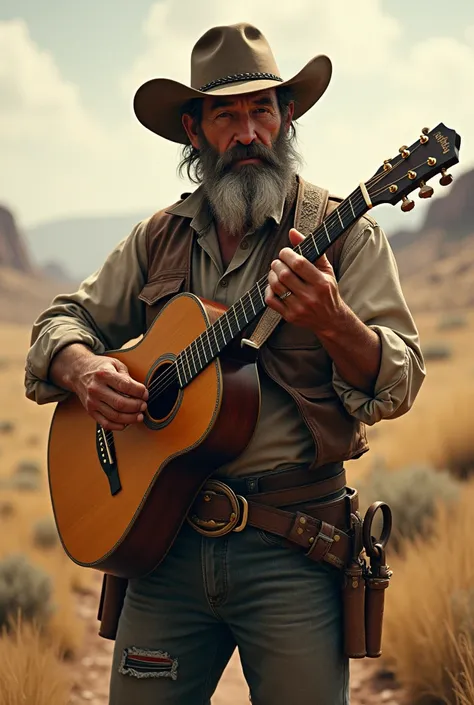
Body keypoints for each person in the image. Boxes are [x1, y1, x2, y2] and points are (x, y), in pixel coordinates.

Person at [24, 22, 425, 705]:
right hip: (161, 550)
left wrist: (334, 322)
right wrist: (82, 369)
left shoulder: (345, 232)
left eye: (262, 109)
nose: (247, 133)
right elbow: (58, 323)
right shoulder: (159, 238)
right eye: (226, 114)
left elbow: (401, 378)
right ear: (194, 129)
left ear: (287, 116)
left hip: (294, 551)